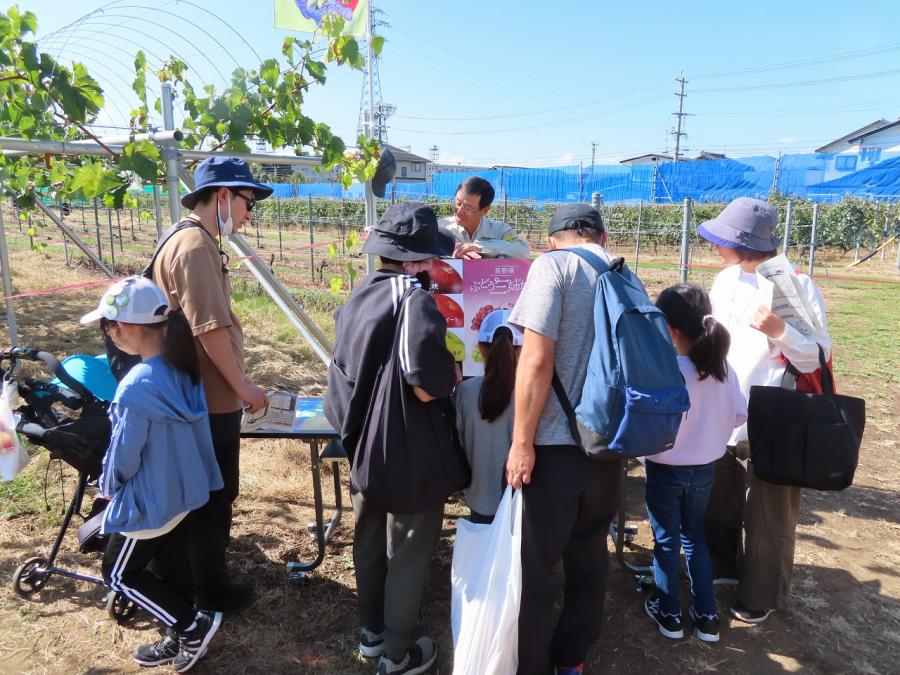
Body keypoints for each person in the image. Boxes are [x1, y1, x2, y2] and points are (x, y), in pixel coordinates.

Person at [324, 202, 458, 675]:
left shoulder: (361, 293)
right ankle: (399, 653)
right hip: (406, 446)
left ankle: (371, 633)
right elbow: (423, 381)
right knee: (408, 544)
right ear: (417, 260)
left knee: (367, 538)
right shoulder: (414, 298)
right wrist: (456, 373)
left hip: (361, 442)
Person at [506, 203, 628, 675]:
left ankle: (530, 663)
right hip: (608, 444)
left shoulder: (552, 267)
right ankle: (572, 658)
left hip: (555, 447)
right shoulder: (623, 273)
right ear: (600, 234)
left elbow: (536, 361)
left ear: (557, 236)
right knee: (589, 557)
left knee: (535, 567)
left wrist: (521, 442)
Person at [697, 197, 832, 624]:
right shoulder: (725, 278)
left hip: (775, 408)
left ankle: (760, 593)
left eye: (721, 239)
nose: (715, 246)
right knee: (719, 492)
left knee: (770, 509)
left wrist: (781, 332)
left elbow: (816, 355)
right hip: (724, 402)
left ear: (741, 242)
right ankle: (722, 565)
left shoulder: (795, 284)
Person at [81, 277, 224, 672]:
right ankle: (179, 635)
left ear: (122, 328)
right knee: (174, 568)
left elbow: (124, 454)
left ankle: (192, 627)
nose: (108, 335)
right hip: (183, 493)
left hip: (149, 501)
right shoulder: (182, 367)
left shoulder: (135, 386)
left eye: (107, 327)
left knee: (118, 574)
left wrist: (108, 486)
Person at [150, 156, 271, 612]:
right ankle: (210, 590)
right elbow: (210, 328)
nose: (248, 212)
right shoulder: (196, 246)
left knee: (202, 491)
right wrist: (242, 386)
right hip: (209, 397)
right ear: (222, 196)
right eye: (247, 201)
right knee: (214, 495)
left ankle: (190, 578)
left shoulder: (185, 239)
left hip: (195, 391)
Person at [642, 284, 747, 643]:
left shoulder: (664, 369)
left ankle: (668, 613)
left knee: (666, 540)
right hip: (706, 470)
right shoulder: (721, 368)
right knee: (694, 537)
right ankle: (706, 615)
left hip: (664, 469)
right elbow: (739, 414)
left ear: (669, 329)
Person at [454, 308, 523, 524]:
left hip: (479, 497)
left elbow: (458, 442)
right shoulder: (532, 395)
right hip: (522, 500)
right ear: (522, 350)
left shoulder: (465, 391)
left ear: (481, 348)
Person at [440, 176, 530, 259]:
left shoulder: (500, 231)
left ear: (485, 210)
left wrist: (481, 247)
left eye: (468, 207)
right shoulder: (439, 228)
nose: (459, 211)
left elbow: (522, 250)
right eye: (458, 203)